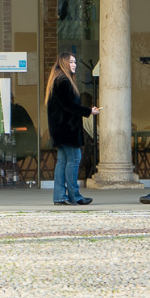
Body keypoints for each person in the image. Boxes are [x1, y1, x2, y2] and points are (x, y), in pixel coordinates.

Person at [46, 52, 99, 205]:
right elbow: (69, 106)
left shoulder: (56, 80)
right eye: (71, 62)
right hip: (67, 130)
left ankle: (59, 196)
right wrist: (89, 111)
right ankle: (74, 195)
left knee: (62, 161)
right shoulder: (63, 81)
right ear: (63, 63)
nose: (74, 65)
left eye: (75, 62)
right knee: (74, 159)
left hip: (60, 130)